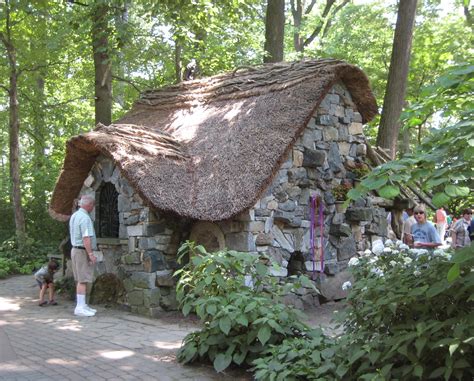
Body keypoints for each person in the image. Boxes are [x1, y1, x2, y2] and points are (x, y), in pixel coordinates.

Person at [69, 194, 97, 317]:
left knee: (80, 279)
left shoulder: (75, 215)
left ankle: (83, 305)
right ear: (89, 205)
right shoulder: (85, 218)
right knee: (83, 280)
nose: (93, 207)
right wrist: (90, 253)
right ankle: (80, 308)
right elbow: (86, 238)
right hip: (81, 251)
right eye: (93, 205)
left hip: (75, 250)